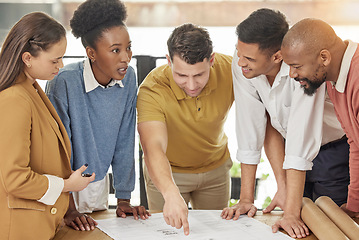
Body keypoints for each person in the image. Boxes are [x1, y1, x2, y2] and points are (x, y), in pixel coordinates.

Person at [221, 9, 349, 239]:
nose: (240, 62)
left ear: (277, 57)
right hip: (292, 155)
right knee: (302, 226)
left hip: (332, 153)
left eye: (249, 59)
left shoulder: (302, 68)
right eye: (238, 53)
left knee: (328, 223)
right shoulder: (244, 64)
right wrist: (246, 199)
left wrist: (290, 213)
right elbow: (250, 125)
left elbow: (301, 136)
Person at [46, 0, 149, 232]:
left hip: (98, 189)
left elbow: (125, 139)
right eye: (115, 50)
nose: (126, 57)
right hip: (63, 193)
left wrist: (123, 199)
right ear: (91, 53)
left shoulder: (129, 78)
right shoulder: (64, 82)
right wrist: (69, 207)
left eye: (128, 48)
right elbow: (57, 149)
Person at [0, 12, 95, 240]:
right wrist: (65, 184)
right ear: (27, 58)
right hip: (22, 230)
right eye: (54, 60)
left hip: (42, 224)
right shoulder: (15, 98)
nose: (61, 66)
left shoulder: (32, 90)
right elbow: (14, 179)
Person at [136, 23, 234, 235]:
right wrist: (170, 193)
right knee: (166, 235)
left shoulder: (231, 69)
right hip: (168, 174)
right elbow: (153, 149)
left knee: (216, 235)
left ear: (212, 60)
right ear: (168, 61)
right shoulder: (152, 89)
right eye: (181, 75)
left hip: (215, 171)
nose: (191, 85)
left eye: (199, 75)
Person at [281, 18, 359, 219]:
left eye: (296, 66)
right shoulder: (333, 79)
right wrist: (354, 206)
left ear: (324, 57)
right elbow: (355, 144)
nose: (292, 74)